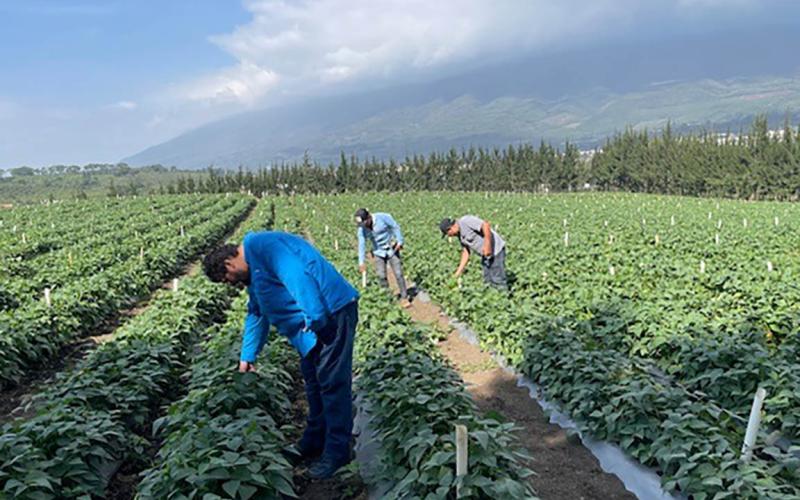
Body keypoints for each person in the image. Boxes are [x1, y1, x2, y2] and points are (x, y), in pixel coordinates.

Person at [202, 231, 359, 480]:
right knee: (313, 383)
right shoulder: (253, 274)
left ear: (229, 263)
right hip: (312, 327)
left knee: (332, 384)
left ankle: (338, 452)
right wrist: (247, 356)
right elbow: (256, 313)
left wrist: (316, 319)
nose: (230, 284)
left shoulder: (262, 246)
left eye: (226, 279)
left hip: (331, 314)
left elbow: (298, 276)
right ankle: (314, 440)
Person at [355, 208, 411, 308]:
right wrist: (361, 262)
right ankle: (387, 298)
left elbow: (395, 227)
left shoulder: (383, 217)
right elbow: (361, 244)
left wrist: (399, 241)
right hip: (378, 252)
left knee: (398, 273)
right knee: (381, 276)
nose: (364, 226)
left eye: (365, 223)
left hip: (392, 248)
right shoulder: (362, 229)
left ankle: (404, 297)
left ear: (369, 217)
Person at [439, 215, 508, 290]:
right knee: (487, 280)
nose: (450, 236)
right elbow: (466, 252)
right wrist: (458, 273)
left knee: (497, 278)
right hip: (485, 255)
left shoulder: (466, 221)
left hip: (496, 250)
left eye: (448, 234)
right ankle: (492, 295)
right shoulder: (460, 234)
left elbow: (485, 225)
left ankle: (503, 295)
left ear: (450, 229)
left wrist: (487, 245)